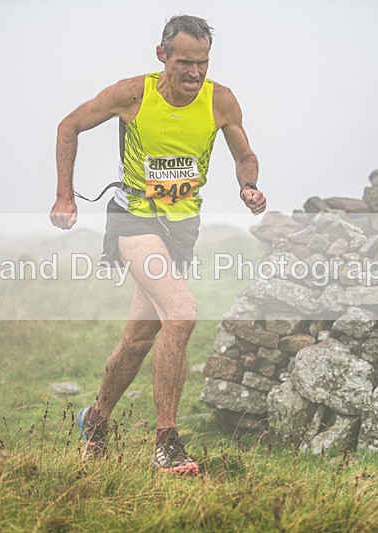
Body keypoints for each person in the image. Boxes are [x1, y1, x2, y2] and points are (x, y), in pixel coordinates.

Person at [49, 15, 266, 475]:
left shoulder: (219, 101)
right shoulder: (132, 94)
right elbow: (68, 126)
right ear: (161, 55)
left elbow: (244, 154)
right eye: (184, 62)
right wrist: (65, 194)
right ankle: (166, 443)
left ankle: (95, 419)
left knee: (138, 339)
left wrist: (248, 186)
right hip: (134, 220)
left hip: (182, 229)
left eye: (202, 62)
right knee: (182, 314)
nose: (194, 73)